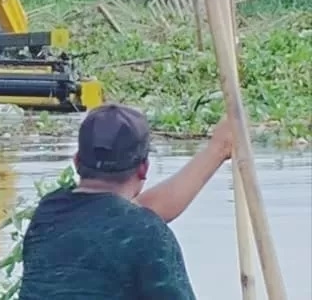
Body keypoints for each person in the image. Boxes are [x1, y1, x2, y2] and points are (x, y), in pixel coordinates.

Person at [18, 103, 234, 300]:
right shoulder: (145, 232)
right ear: (144, 168)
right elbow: (129, 221)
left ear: (76, 161)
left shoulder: (48, 213)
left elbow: (122, 217)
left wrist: (217, 151)